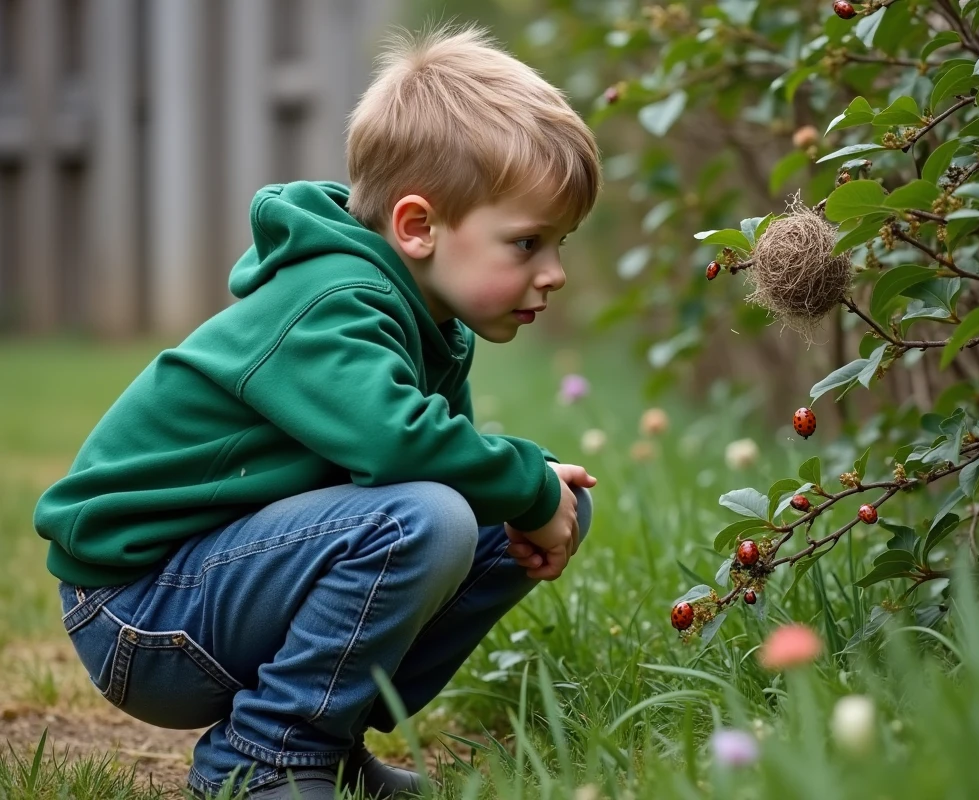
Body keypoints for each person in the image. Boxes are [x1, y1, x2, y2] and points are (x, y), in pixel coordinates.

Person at [33, 23, 601, 799]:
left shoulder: (435, 325)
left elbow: (454, 465)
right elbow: (402, 451)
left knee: (535, 500)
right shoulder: (333, 299)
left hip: (220, 588)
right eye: (528, 242)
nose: (555, 273)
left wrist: (535, 494)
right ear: (418, 227)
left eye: (561, 244)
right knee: (432, 515)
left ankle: (320, 743)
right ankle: (265, 753)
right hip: (138, 608)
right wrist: (524, 488)